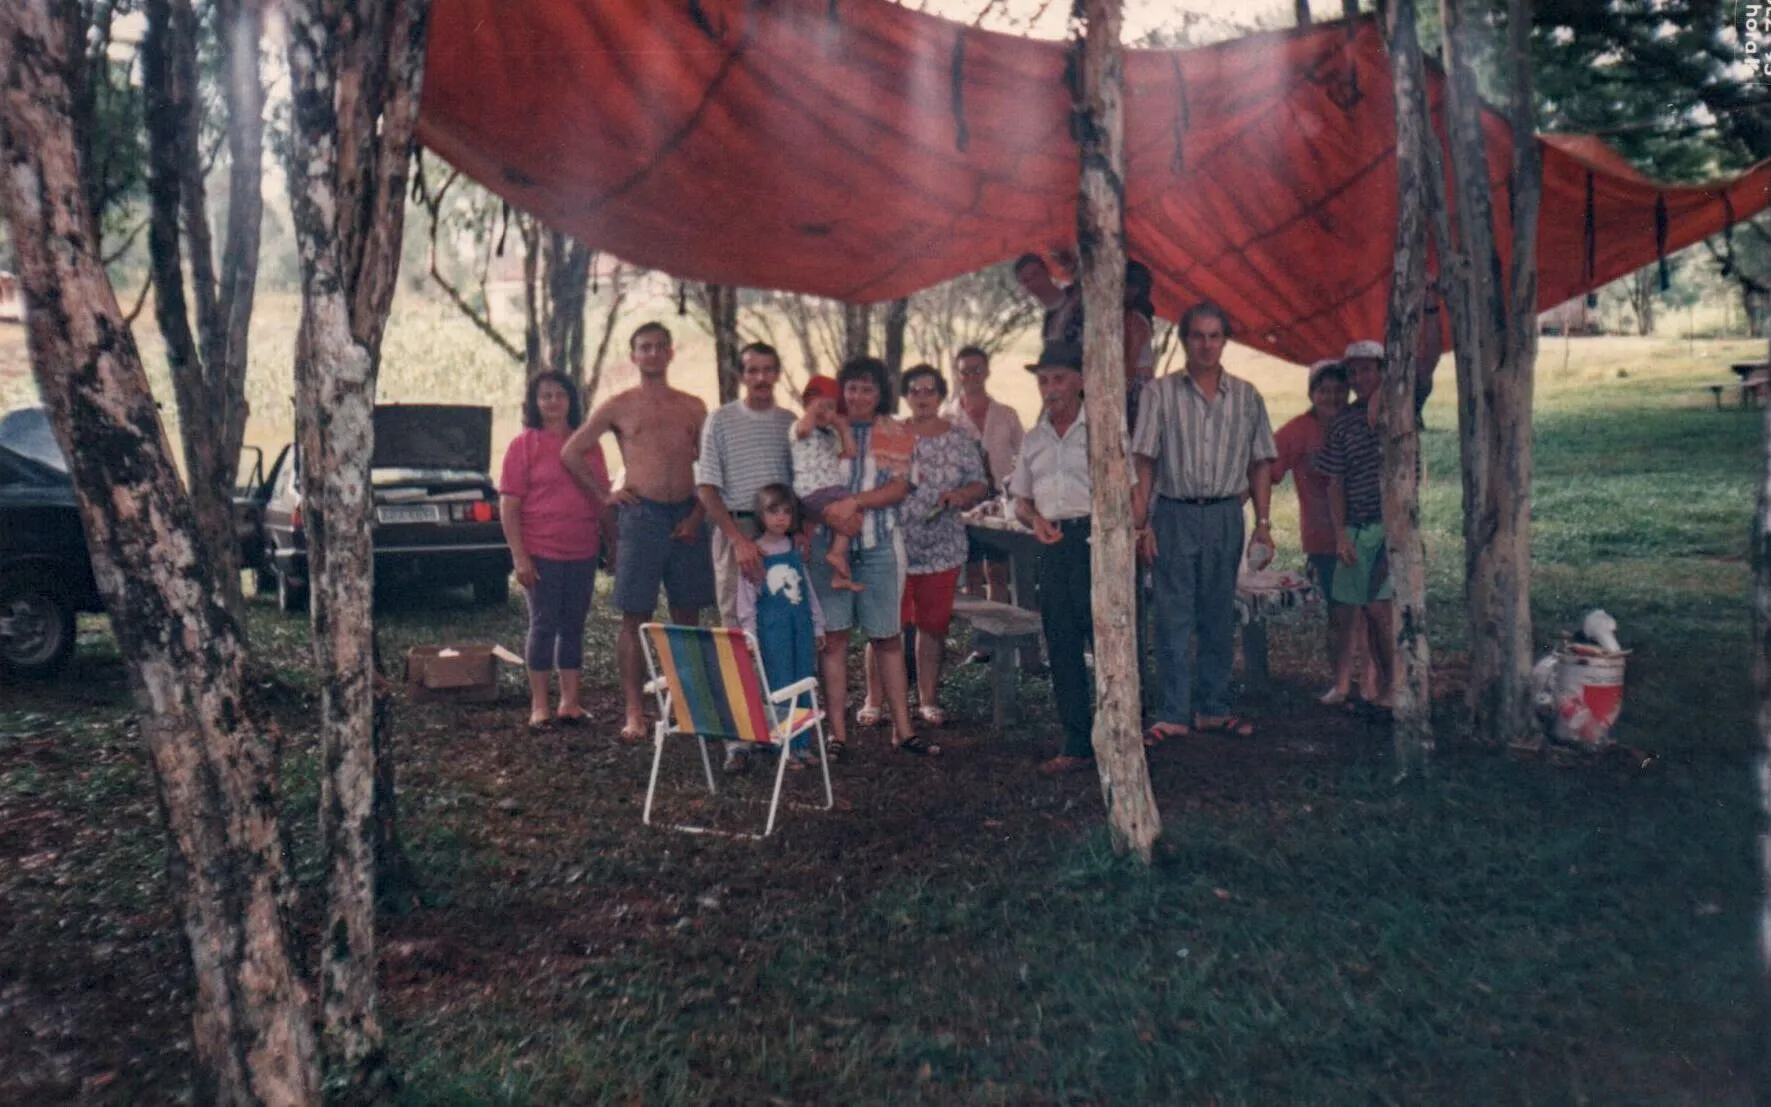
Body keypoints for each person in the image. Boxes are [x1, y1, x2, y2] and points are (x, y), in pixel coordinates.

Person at [1131, 302, 1278, 744]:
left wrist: (1264, 523)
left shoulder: (1247, 396)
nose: (1207, 345)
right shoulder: (1159, 393)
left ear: (1225, 341)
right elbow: (1144, 462)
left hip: (1225, 514)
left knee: (1218, 612)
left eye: (1215, 336)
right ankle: (1173, 712)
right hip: (1173, 512)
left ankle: (1213, 707)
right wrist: (1144, 524)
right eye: (1198, 336)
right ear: (1184, 340)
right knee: (1173, 613)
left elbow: (1261, 463)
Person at [562, 321, 714, 742]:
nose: (652, 353)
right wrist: (604, 495)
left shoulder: (693, 406)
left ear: (670, 353)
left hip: (686, 517)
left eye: (659, 346)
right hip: (641, 516)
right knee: (634, 616)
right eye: (644, 347)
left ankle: (688, 704)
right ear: (633, 356)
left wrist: (699, 514)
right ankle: (635, 712)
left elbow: (712, 466)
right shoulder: (619, 405)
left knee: (688, 613)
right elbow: (572, 451)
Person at [804, 357, 932, 757]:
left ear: (881, 394)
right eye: (852, 387)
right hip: (827, 550)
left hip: (878, 547)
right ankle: (838, 733)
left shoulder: (895, 432)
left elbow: (898, 488)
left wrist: (853, 502)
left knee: (887, 638)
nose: (858, 396)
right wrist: (832, 515)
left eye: (868, 389)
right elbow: (805, 484)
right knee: (835, 639)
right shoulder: (824, 431)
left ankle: (903, 729)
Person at [498, 371, 610, 731]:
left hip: (583, 549)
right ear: (534, 403)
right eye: (544, 396)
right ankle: (540, 705)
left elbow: (602, 497)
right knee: (544, 625)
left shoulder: (589, 445)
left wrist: (613, 544)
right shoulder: (523, 446)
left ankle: (570, 703)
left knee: (573, 626)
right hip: (541, 551)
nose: (552, 402)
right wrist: (520, 555)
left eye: (559, 395)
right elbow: (509, 505)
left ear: (571, 401)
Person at [1008, 342, 1098, 775]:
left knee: (1109, 642)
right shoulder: (1034, 439)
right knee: (1061, 645)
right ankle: (1076, 741)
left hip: (1097, 545)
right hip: (1053, 547)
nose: (1050, 389)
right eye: (1043, 381)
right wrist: (1035, 520)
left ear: (1080, 381)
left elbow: (1132, 490)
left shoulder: (1100, 430)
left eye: (1059, 378)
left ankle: (1121, 736)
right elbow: (1020, 500)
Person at [881, 365, 988, 726]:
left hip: (942, 548)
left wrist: (961, 495)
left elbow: (980, 484)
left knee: (932, 626)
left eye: (929, 390)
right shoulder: (891, 434)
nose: (922, 398)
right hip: (893, 544)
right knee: (887, 624)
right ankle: (877, 699)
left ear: (941, 395)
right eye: (915, 391)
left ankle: (927, 699)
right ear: (905, 397)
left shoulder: (958, 439)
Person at [696, 341, 797, 629]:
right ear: (742, 377)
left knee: (781, 611)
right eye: (753, 371)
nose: (761, 379)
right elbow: (706, 487)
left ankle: (781, 675)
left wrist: (799, 530)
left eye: (768, 371)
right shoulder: (720, 420)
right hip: (737, 527)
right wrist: (738, 540)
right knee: (738, 620)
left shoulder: (789, 422)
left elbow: (800, 485)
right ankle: (740, 676)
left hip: (781, 528)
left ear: (777, 375)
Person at [1317, 348, 1397, 709]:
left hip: (1391, 527)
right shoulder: (1342, 423)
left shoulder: (1397, 412)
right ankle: (1372, 687)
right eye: (1354, 373)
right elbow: (1335, 482)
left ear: (1381, 371)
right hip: (1356, 528)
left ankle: (1394, 685)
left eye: (1367, 370)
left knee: (1381, 609)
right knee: (1356, 610)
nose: (1360, 379)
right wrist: (1341, 533)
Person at [1272, 359, 1352, 683]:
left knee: (1371, 613)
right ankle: (1341, 681)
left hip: (1365, 533)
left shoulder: (1361, 421)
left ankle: (1373, 682)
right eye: (1324, 390)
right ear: (1311, 393)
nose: (1331, 397)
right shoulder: (1297, 431)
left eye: (1338, 390)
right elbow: (1266, 469)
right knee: (1339, 613)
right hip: (1323, 539)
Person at [735, 484, 824, 771]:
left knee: (804, 678)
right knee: (781, 682)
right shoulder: (755, 552)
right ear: (761, 515)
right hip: (773, 628)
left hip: (800, 625)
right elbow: (746, 598)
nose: (781, 518)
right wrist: (750, 635)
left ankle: (803, 744)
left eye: (787, 512)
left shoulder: (794, 548)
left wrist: (818, 625)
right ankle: (784, 745)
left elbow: (807, 589)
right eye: (773, 511)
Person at [942, 345, 1023, 612]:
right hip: (964, 505)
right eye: (966, 372)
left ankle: (1001, 639)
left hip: (999, 505)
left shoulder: (1006, 415)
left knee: (998, 573)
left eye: (977, 370)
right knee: (973, 574)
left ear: (986, 372)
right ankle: (981, 644)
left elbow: (1024, 458)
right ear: (957, 374)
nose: (972, 377)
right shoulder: (948, 418)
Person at [791, 375, 865, 591]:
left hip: (831, 489)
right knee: (848, 513)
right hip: (812, 489)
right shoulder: (800, 427)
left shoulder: (831, 434)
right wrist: (814, 411)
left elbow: (851, 452)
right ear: (807, 406)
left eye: (830, 407)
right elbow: (805, 429)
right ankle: (836, 554)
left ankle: (837, 571)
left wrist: (842, 428)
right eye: (818, 407)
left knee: (854, 515)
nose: (824, 412)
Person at [1014, 251, 1083, 347]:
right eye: (1026, 280)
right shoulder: (1048, 331)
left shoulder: (1078, 292)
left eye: (1036, 274)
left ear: (1047, 271)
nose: (1033, 282)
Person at [1124, 259, 1158, 432]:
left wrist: (1123, 389)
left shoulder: (1134, 319)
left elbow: (1131, 358)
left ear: (1134, 289)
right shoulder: (1139, 317)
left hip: (1136, 383)